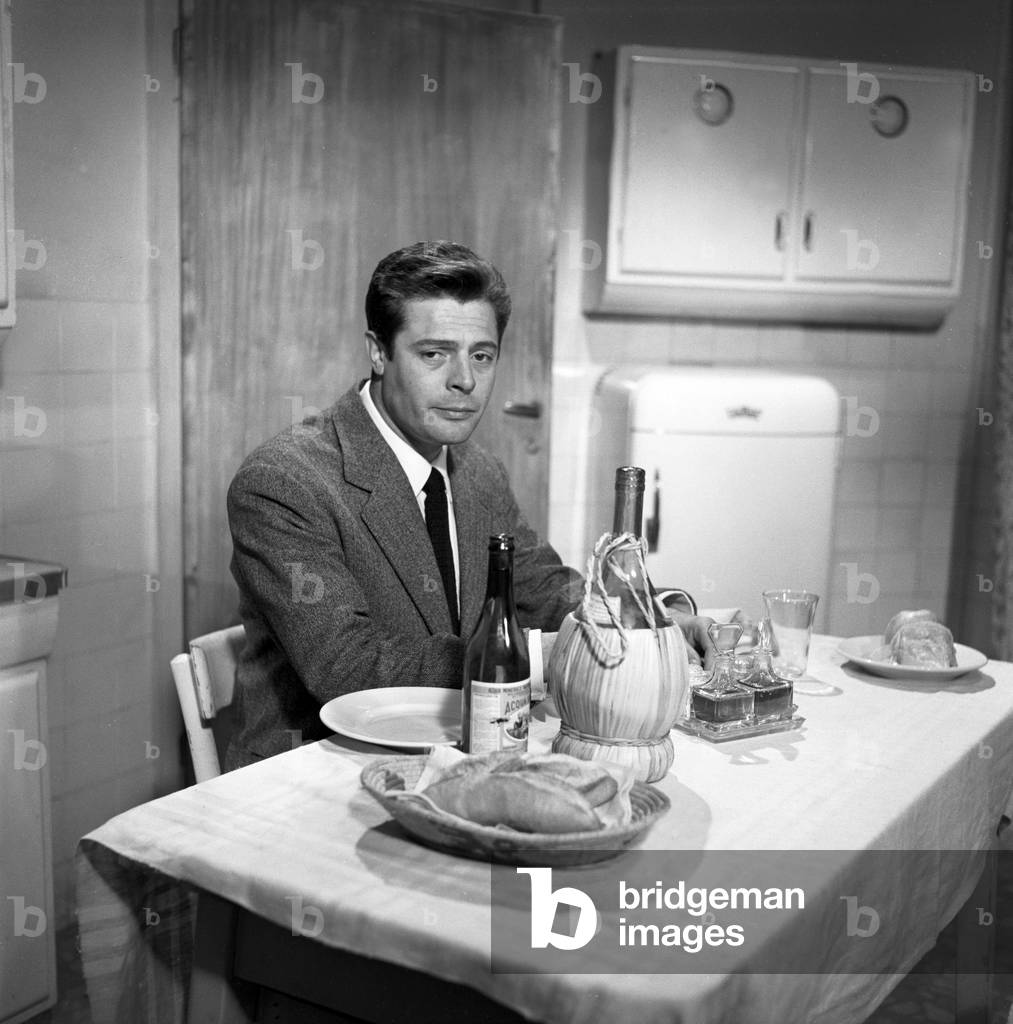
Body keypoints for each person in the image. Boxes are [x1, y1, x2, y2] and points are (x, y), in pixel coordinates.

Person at [223, 241, 712, 770]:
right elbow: (349, 665)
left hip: (457, 758)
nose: (464, 380)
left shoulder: (477, 470)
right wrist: (553, 656)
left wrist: (651, 616)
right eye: (434, 354)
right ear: (379, 352)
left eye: (482, 354)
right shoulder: (285, 481)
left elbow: (544, 588)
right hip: (310, 776)